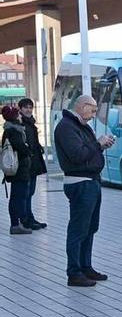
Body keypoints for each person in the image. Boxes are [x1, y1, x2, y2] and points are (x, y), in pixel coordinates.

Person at [54, 95, 115, 287]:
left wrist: (101, 146)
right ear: (82, 106)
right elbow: (77, 155)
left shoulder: (80, 126)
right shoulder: (66, 127)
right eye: (93, 110)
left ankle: (85, 266)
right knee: (78, 229)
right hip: (80, 182)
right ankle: (74, 272)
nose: (94, 114)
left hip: (91, 181)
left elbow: (87, 152)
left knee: (90, 228)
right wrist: (97, 144)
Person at [2, 105, 33, 235]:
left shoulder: (9, 129)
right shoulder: (14, 131)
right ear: (14, 117)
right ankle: (16, 224)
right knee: (18, 197)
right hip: (19, 170)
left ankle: (17, 223)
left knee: (17, 196)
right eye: (18, 114)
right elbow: (21, 148)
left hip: (16, 169)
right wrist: (28, 149)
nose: (21, 116)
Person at [18, 98, 48, 230]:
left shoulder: (31, 124)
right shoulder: (20, 124)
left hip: (33, 164)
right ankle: (25, 219)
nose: (29, 110)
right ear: (20, 109)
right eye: (26, 107)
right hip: (26, 165)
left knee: (30, 192)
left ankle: (30, 217)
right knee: (25, 193)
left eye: (30, 107)